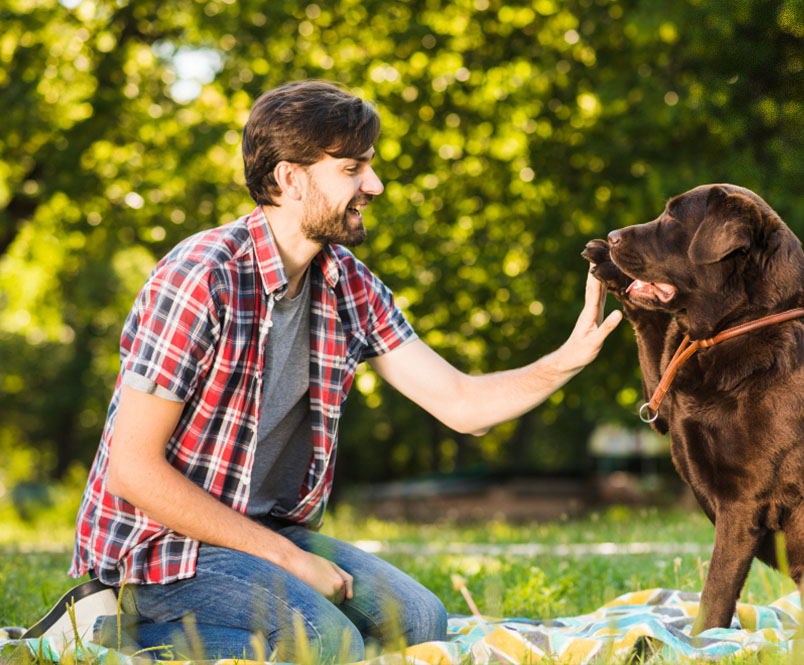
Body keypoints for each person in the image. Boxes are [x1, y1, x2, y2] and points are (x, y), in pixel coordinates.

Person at [30, 80, 622, 662]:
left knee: (419, 622)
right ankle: (106, 630)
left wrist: (562, 361)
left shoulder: (347, 284)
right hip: (161, 546)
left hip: (257, 532)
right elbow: (132, 470)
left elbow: (462, 404)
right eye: (352, 169)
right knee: (324, 643)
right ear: (290, 179)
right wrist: (291, 560)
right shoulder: (202, 277)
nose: (375, 185)